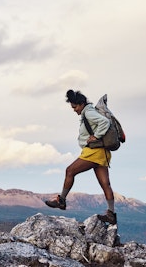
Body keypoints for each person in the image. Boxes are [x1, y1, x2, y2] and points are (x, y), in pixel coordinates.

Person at [44, 89, 117, 225]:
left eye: (75, 106)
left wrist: (96, 136)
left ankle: (61, 201)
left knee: (70, 171)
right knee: (105, 184)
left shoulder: (89, 112)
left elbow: (104, 123)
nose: (74, 110)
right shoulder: (87, 112)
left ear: (82, 104)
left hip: (94, 152)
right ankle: (111, 214)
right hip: (102, 153)